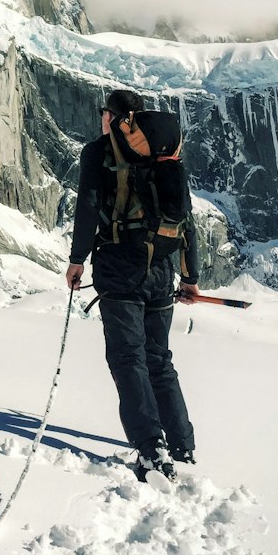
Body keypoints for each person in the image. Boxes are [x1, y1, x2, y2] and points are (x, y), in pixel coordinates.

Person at [64, 88, 200, 482]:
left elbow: (87, 207)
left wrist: (77, 260)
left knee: (128, 359)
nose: (101, 119)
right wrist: (189, 277)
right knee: (159, 359)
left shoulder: (98, 152)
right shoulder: (165, 154)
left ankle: (150, 448)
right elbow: (185, 219)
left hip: (119, 266)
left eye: (104, 113)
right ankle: (182, 446)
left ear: (114, 118)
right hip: (161, 267)